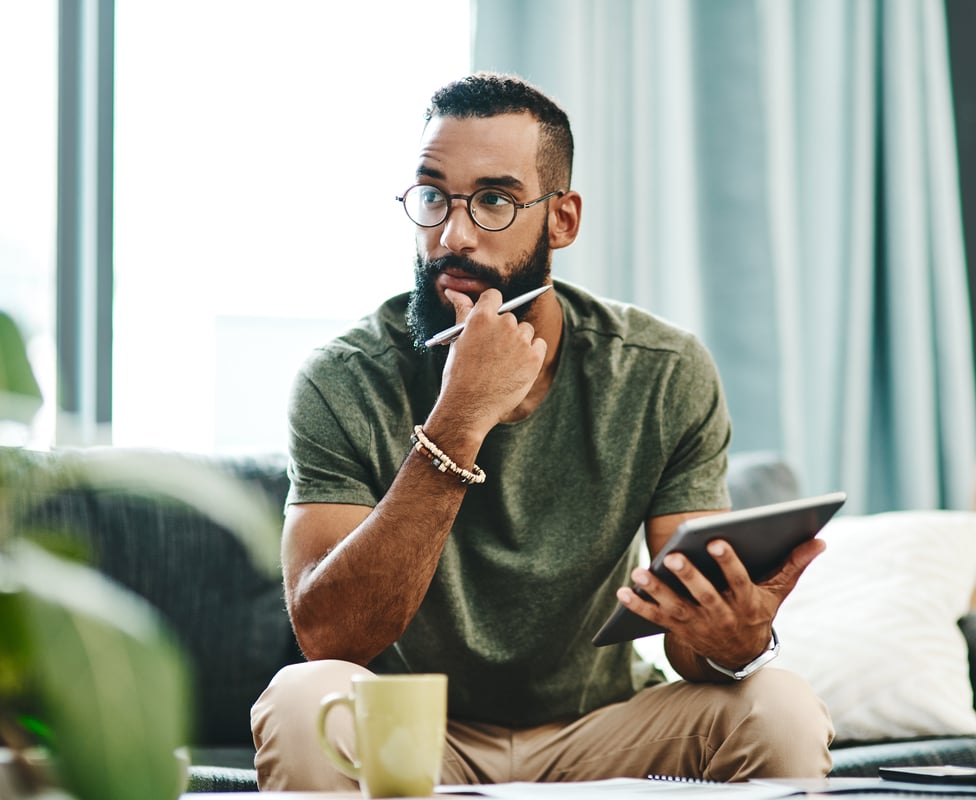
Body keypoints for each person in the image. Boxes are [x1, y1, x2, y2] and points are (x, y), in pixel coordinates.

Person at [250, 72, 834, 789]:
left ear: (562, 220)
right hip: (417, 731)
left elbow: (691, 652)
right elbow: (329, 638)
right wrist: (458, 420)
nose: (452, 235)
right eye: (433, 196)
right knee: (300, 701)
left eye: (493, 200)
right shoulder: (342, 378)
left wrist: (735, 639)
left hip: (604, 727)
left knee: (780, 705)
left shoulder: (661, 371)